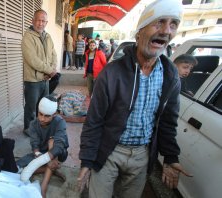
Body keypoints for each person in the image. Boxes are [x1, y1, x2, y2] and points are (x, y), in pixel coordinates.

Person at [77, 0, 192, 197]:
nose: (166, 30)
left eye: (173, 24)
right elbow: (94, 121)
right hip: (109, 152)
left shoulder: (170, 75)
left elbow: (167, 121)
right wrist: (87, 160)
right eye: (159, 22)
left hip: (142, 156)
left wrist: (170, 156)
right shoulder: (112, 73)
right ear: (139, 32)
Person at [17, 96, 69, 198]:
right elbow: (35, 146)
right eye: (40, 114)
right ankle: (50, 169)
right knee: (19, 166)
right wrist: (39, 155)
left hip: (59, 153)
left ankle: (43, 187)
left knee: (52, 141)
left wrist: (48, 159)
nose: (42, 119)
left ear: (54, 115)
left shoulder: (60, 122)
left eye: (47, 116)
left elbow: (59, 146)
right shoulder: (33, 124)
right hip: (40, 153)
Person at [22, 9, 57, 136]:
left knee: (43, 105)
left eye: (43, 21)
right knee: (31, 107)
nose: (40, 23)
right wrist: (49, 70)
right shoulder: (28, 36)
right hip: (33, 79)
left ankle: (40, 126)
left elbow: (53, 54)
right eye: (38, 20)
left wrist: (52, 69)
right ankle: (28, 128)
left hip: (45, 78)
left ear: (46, 22)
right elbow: (32, 59)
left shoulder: (48, 37)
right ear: (33, 20)